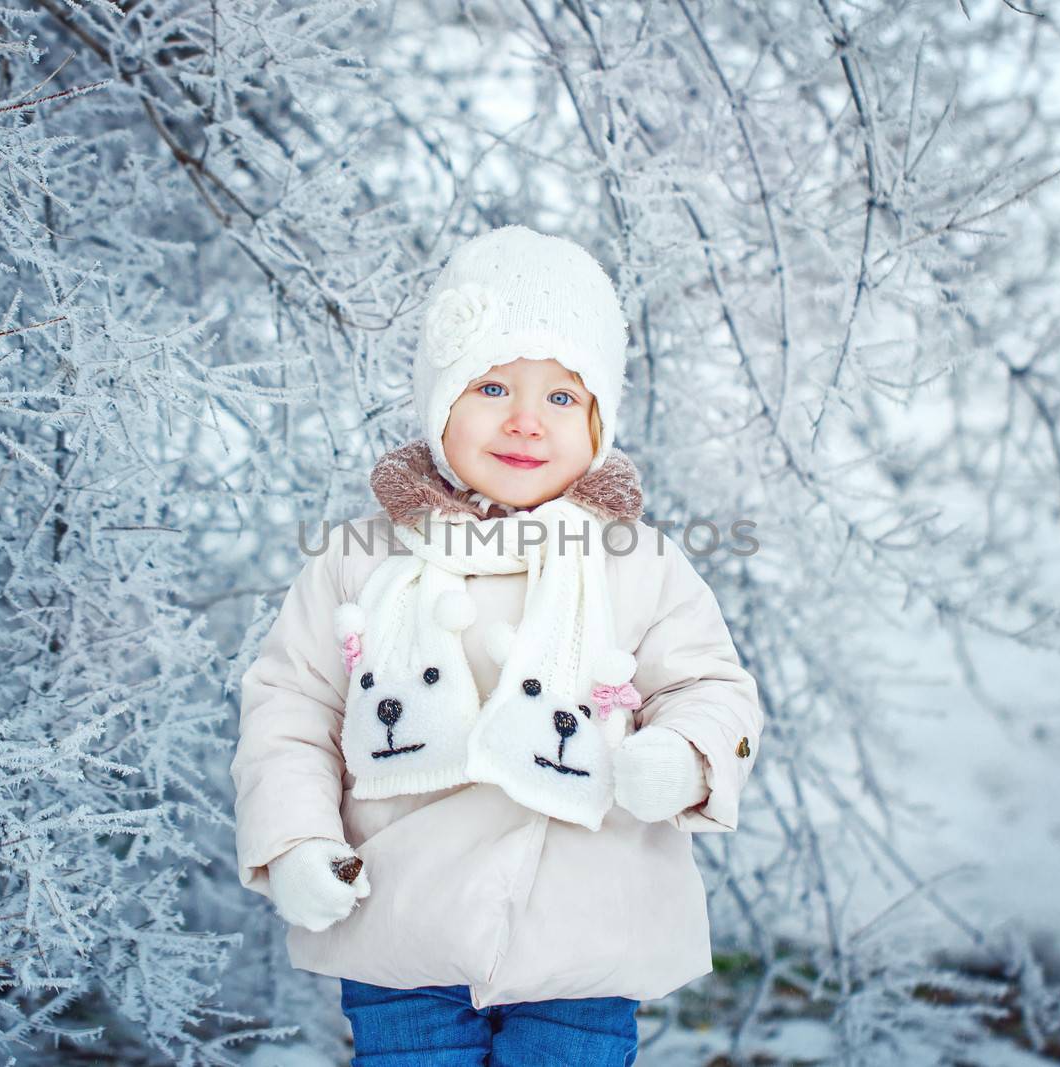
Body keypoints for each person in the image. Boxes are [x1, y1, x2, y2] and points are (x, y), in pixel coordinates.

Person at [229, 224, 763, 1066]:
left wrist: (688, 752)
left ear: (598, 418)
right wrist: (294, 840)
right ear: (441, 398)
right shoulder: (363, 558)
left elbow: (714, 689)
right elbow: (291, 710)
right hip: (400, 924)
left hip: (587, 929)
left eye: (560, 397)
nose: (524, 421)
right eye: (491, 387)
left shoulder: (639, 564)